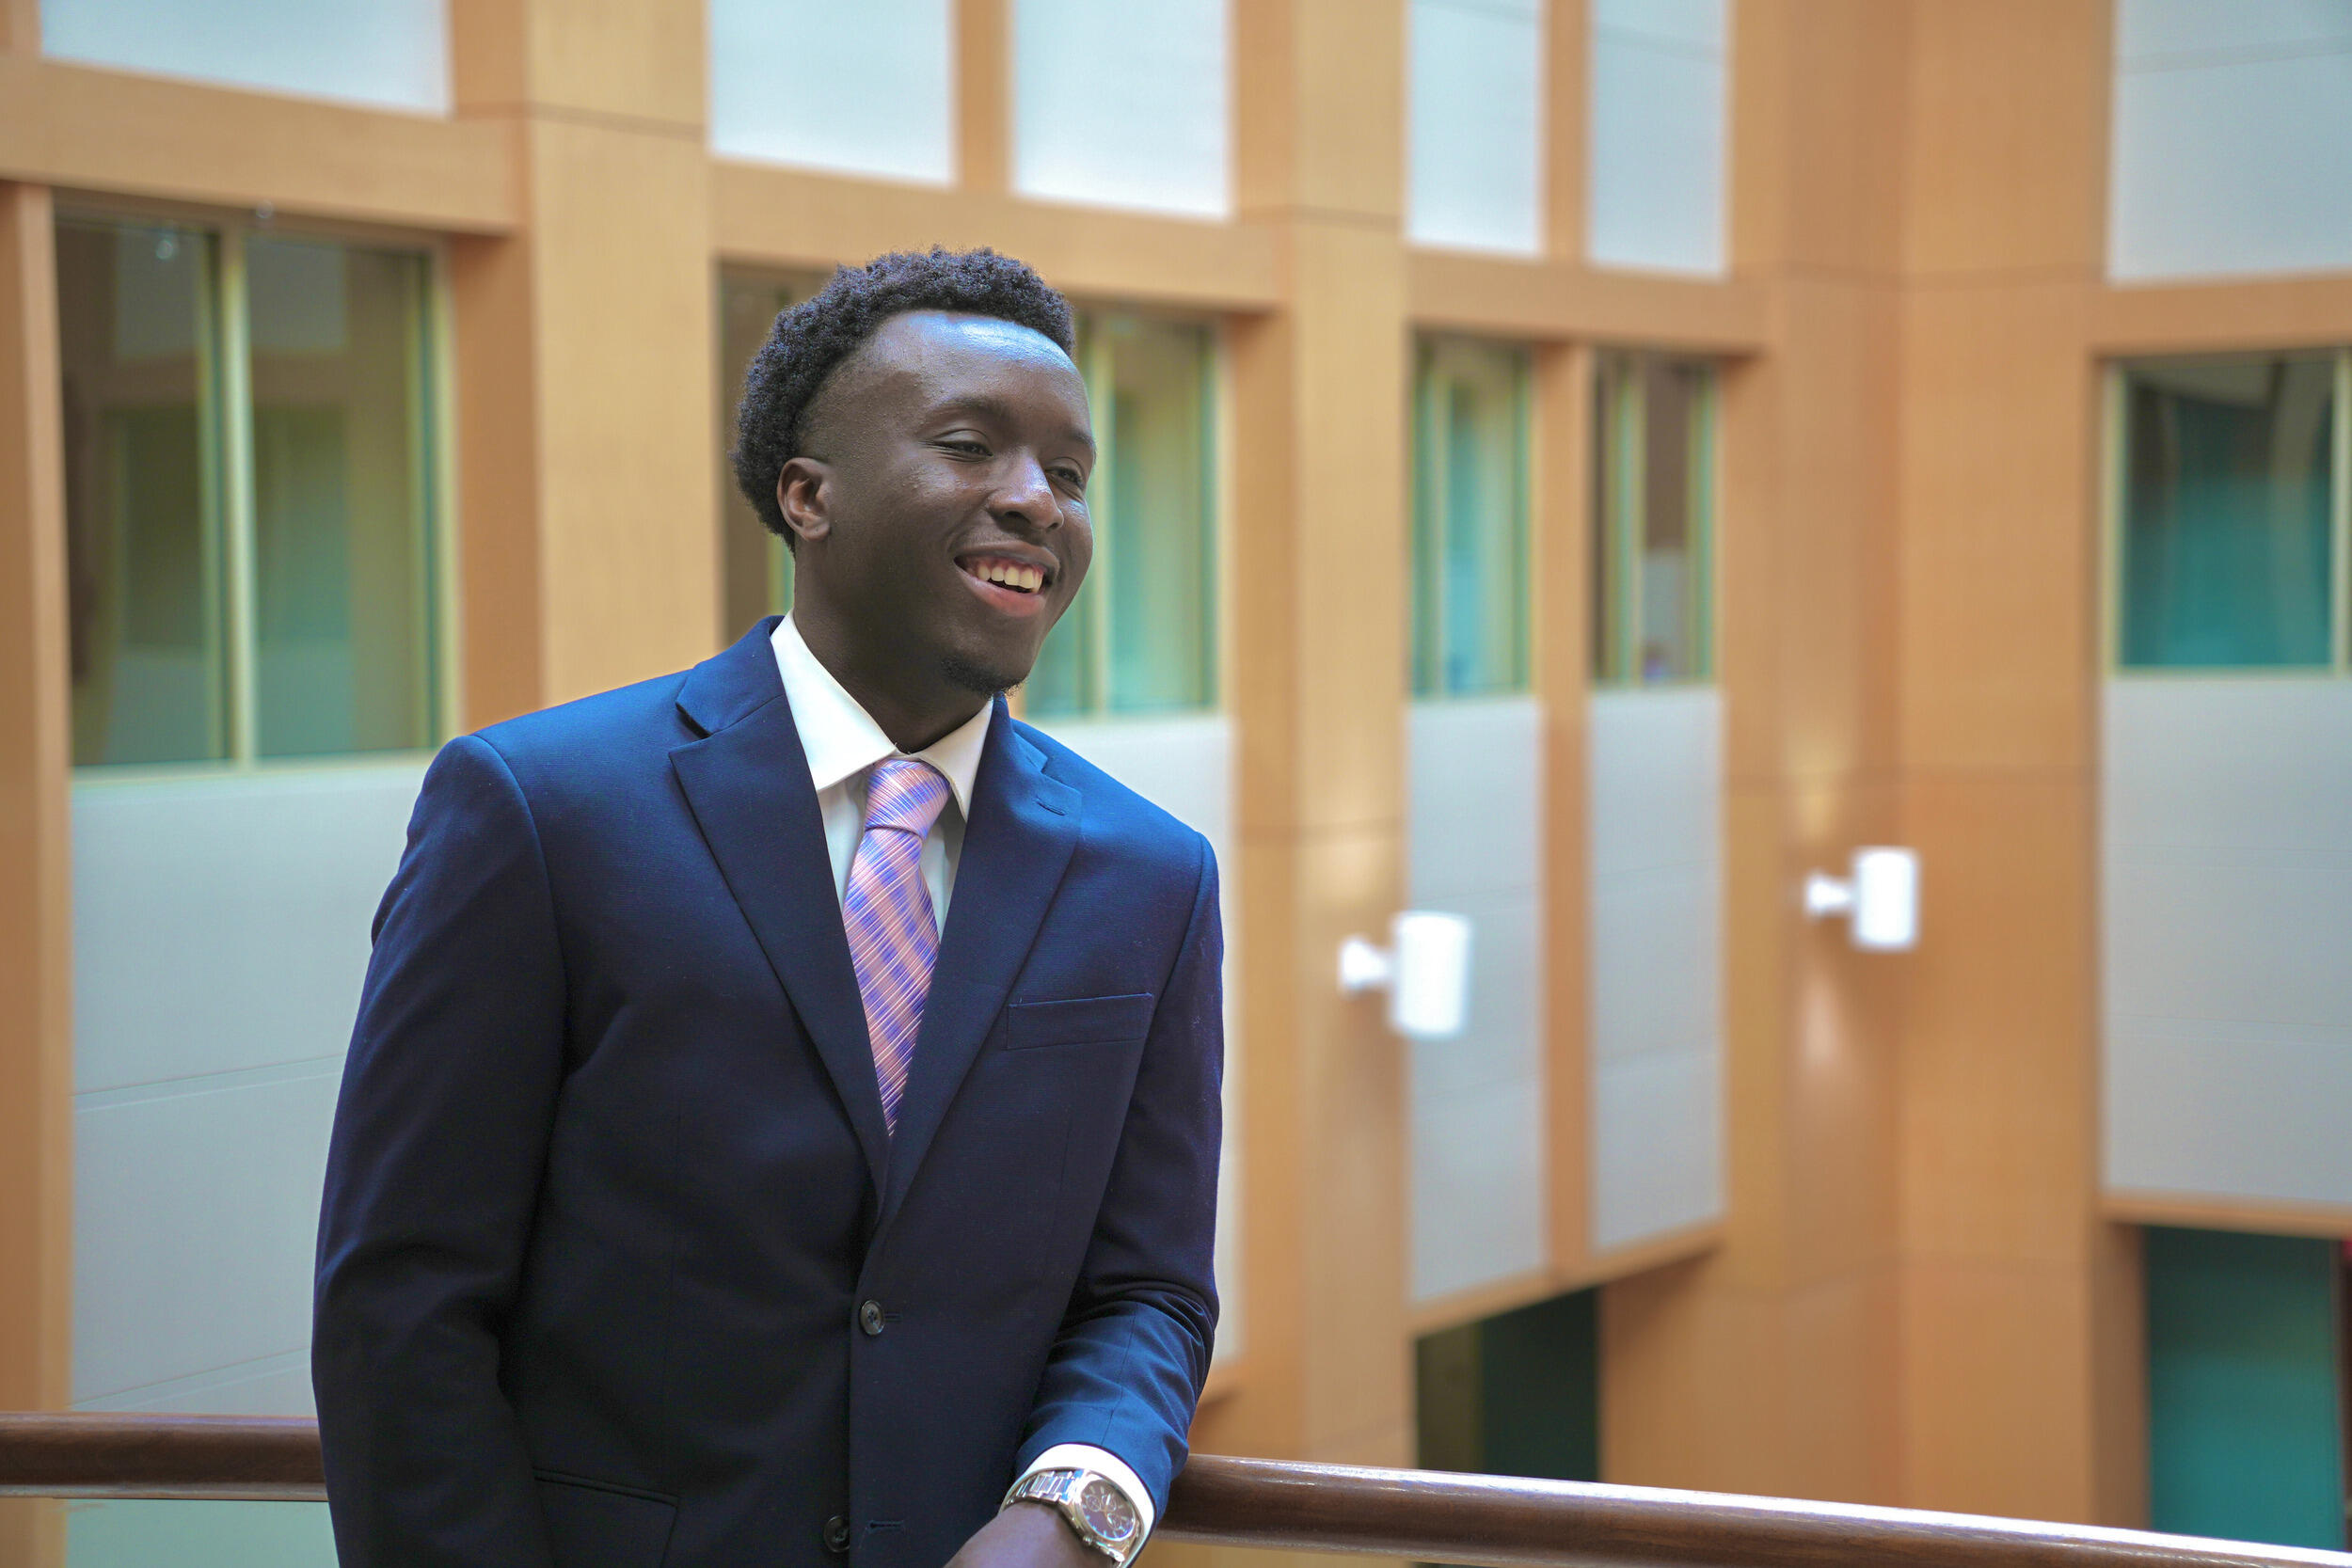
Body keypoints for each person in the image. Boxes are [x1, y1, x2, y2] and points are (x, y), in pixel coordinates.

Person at [313, 248, 1222, 1568]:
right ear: (808, 496)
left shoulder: (1154, 876)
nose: (1037, 502)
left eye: (1069, 475)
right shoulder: (538, 812)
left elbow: (1148, 1295)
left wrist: (1072, 1517)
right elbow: (404, 1304)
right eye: (972, 445)